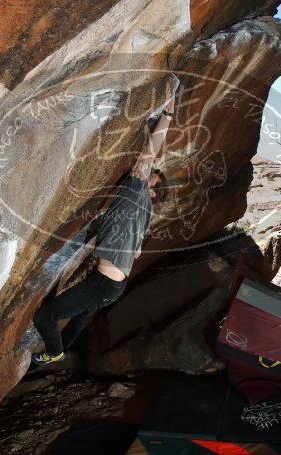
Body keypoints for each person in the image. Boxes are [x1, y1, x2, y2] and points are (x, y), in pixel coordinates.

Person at [31, 96, 176, 366]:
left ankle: (54, 353)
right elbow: (138, 250)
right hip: (115, 285)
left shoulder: (136, 191)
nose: (149, 171)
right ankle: (67, 349)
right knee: (81, 316)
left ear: (152, 190)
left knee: (45, 317)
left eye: (152, 176)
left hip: (103, 284)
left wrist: (167, 116)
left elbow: (149, 152)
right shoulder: (145, 213)